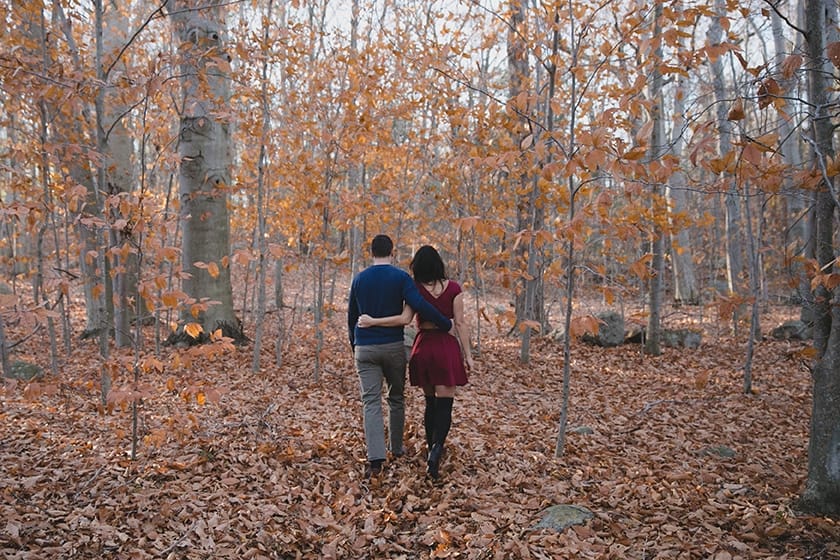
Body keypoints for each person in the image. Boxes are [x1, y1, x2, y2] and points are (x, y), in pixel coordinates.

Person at [358, 245, 473, 479]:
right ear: (439, 264)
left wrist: (372, 321)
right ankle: (436, 450)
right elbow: (459, 323)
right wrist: (468, 354)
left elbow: (405, 319)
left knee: (430, 402)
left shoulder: (416, 289)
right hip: (445, 348)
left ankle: (431, 446)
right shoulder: (454, 289)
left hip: (424, 347)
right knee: (445, 405)